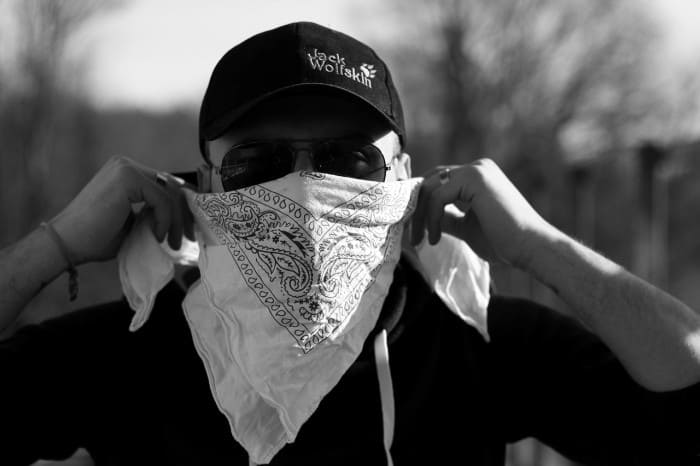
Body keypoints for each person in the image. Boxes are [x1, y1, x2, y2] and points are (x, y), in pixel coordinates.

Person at [2, 21, 700, 466]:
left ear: (405, 178)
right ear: (204, 187)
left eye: (350, 160)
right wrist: (55, 244)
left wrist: (537, 246)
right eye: (257, 164)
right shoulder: (130, 354)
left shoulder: (473, 346)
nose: (305, 188)